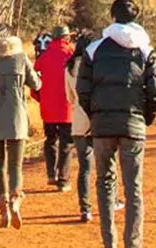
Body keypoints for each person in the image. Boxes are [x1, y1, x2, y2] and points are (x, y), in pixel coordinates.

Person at [77, 0, 156, 248]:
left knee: (105, 183)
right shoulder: (146, 50)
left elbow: (82, 89)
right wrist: (144, 119)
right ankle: (133, 244)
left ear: (112, 16)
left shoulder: (94, 50)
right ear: (135, 17)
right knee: (133, 187)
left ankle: (109, 243)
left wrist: (94, 115)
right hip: (133, 126)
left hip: (102, 127)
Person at [0, 23, 41, 228]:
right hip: (16, 116)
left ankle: (3, 205)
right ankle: (16, 200)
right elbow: (36, 84)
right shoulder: (20, 57)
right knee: (15, 165)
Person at [34, 25, 74, 190]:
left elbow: (34, 82)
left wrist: (41, 99)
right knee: (66, 142)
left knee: (50, 139)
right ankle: (63, 180)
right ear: (67, 38)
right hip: (67, 107)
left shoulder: (43, 57)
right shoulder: (70, 55)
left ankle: (51, 174)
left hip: (48, 108)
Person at [64, 32, 94, 223]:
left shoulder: (68, 68)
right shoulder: (95, 65)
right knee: (108, 165)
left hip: (78, 122)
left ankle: (85, 209)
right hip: (97, 120)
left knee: (84, 167)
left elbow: (69, 98)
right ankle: (113, 200)